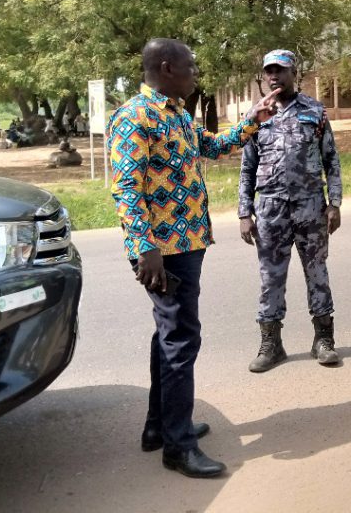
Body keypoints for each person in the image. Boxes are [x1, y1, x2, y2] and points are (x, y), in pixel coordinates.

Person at [108, 38, 278, 479]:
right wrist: (144, 248)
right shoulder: (134, 117)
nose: (195, 73)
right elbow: (126, 187)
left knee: (168, 335)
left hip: (187, 244)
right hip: (162, 252)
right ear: (167, 68)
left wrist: (252, 122)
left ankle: (158, 428)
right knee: (181, 340)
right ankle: (178, 447)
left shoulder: (178, 114)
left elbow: (212, 146)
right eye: (190, 67)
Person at [238, 49, 343, 372]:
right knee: (271, 277)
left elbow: (332, 161)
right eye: (269, 71)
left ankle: (323, 340)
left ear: (294, 72)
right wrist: (244, 212)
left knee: (317, 273)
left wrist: (335, 203)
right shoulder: (256, 116)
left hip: (310, 205)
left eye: (280, 71)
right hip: (270, 208)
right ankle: (271, 344)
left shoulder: (315, 111)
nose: (274, 76)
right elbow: (247, 167)